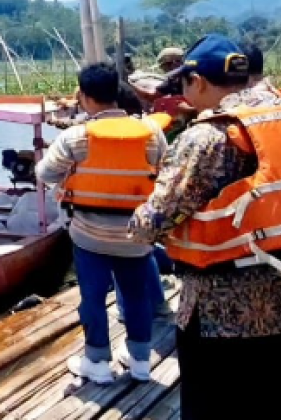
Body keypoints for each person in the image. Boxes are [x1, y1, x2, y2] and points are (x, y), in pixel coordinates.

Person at [128, 34, 281, 420]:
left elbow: (151, 223)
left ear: (200, 82)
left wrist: (135, 214)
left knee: (212, 411)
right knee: (270, 406)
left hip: (220, 312)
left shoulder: (206, 137)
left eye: (184, 83)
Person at [36, 62, 170, 384]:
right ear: (118, 92)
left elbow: (45, 174)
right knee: (136, 296)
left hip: (88, 236)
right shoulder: (153, 133)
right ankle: (140, 360)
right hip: (136, 234)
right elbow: (167, 174)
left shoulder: (75, 137)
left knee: (92, 298)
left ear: (83, 96)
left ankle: (97, 362)